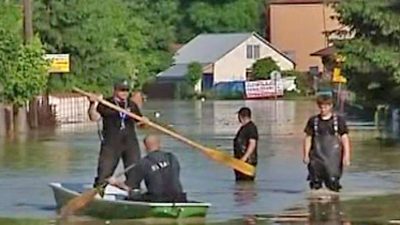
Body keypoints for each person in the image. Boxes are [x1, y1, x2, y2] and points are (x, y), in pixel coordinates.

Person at [88, 80, 145, 187]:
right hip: (111, 144)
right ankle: (99, 191)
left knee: (134, 173)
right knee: (104, 173)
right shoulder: (106, 103)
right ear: (115, 90)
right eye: (122, 90)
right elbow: (94, 117)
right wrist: (92, 104)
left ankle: (134, 193)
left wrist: (144, 122)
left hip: (130, 143)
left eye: (127, 90)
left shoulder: (132, 105)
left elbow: (140, 125)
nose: (124, 93)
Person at [108, 134, 186, 202]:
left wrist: (115, 183)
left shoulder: (143, 163)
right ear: (159, 144)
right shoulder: (172, 158)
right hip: (179, 197)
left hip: (157, 199)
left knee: (132, 195)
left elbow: (129, 187)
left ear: (145, 147)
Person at [303, 95, 351, 192]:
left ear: (331, 106)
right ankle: (315, 203)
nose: (323, 109)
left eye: (325, 107)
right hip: (316, 157)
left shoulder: (339, 121)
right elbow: (308, 138)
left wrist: (347, 156)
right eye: (321, 107)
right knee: (315, 182)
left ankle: (334, 203)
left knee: (333, 182)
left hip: (334, 158)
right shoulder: (313, 121)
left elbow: (345, 139)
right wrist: (305, 155)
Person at [233, 107, 259, 182]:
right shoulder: (244, 128)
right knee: (241, 186)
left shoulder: (251, 128)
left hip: (247, 163)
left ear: (241, 116)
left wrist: (244, 158)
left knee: (246, 186)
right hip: (240, 162)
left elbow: (252, 144)